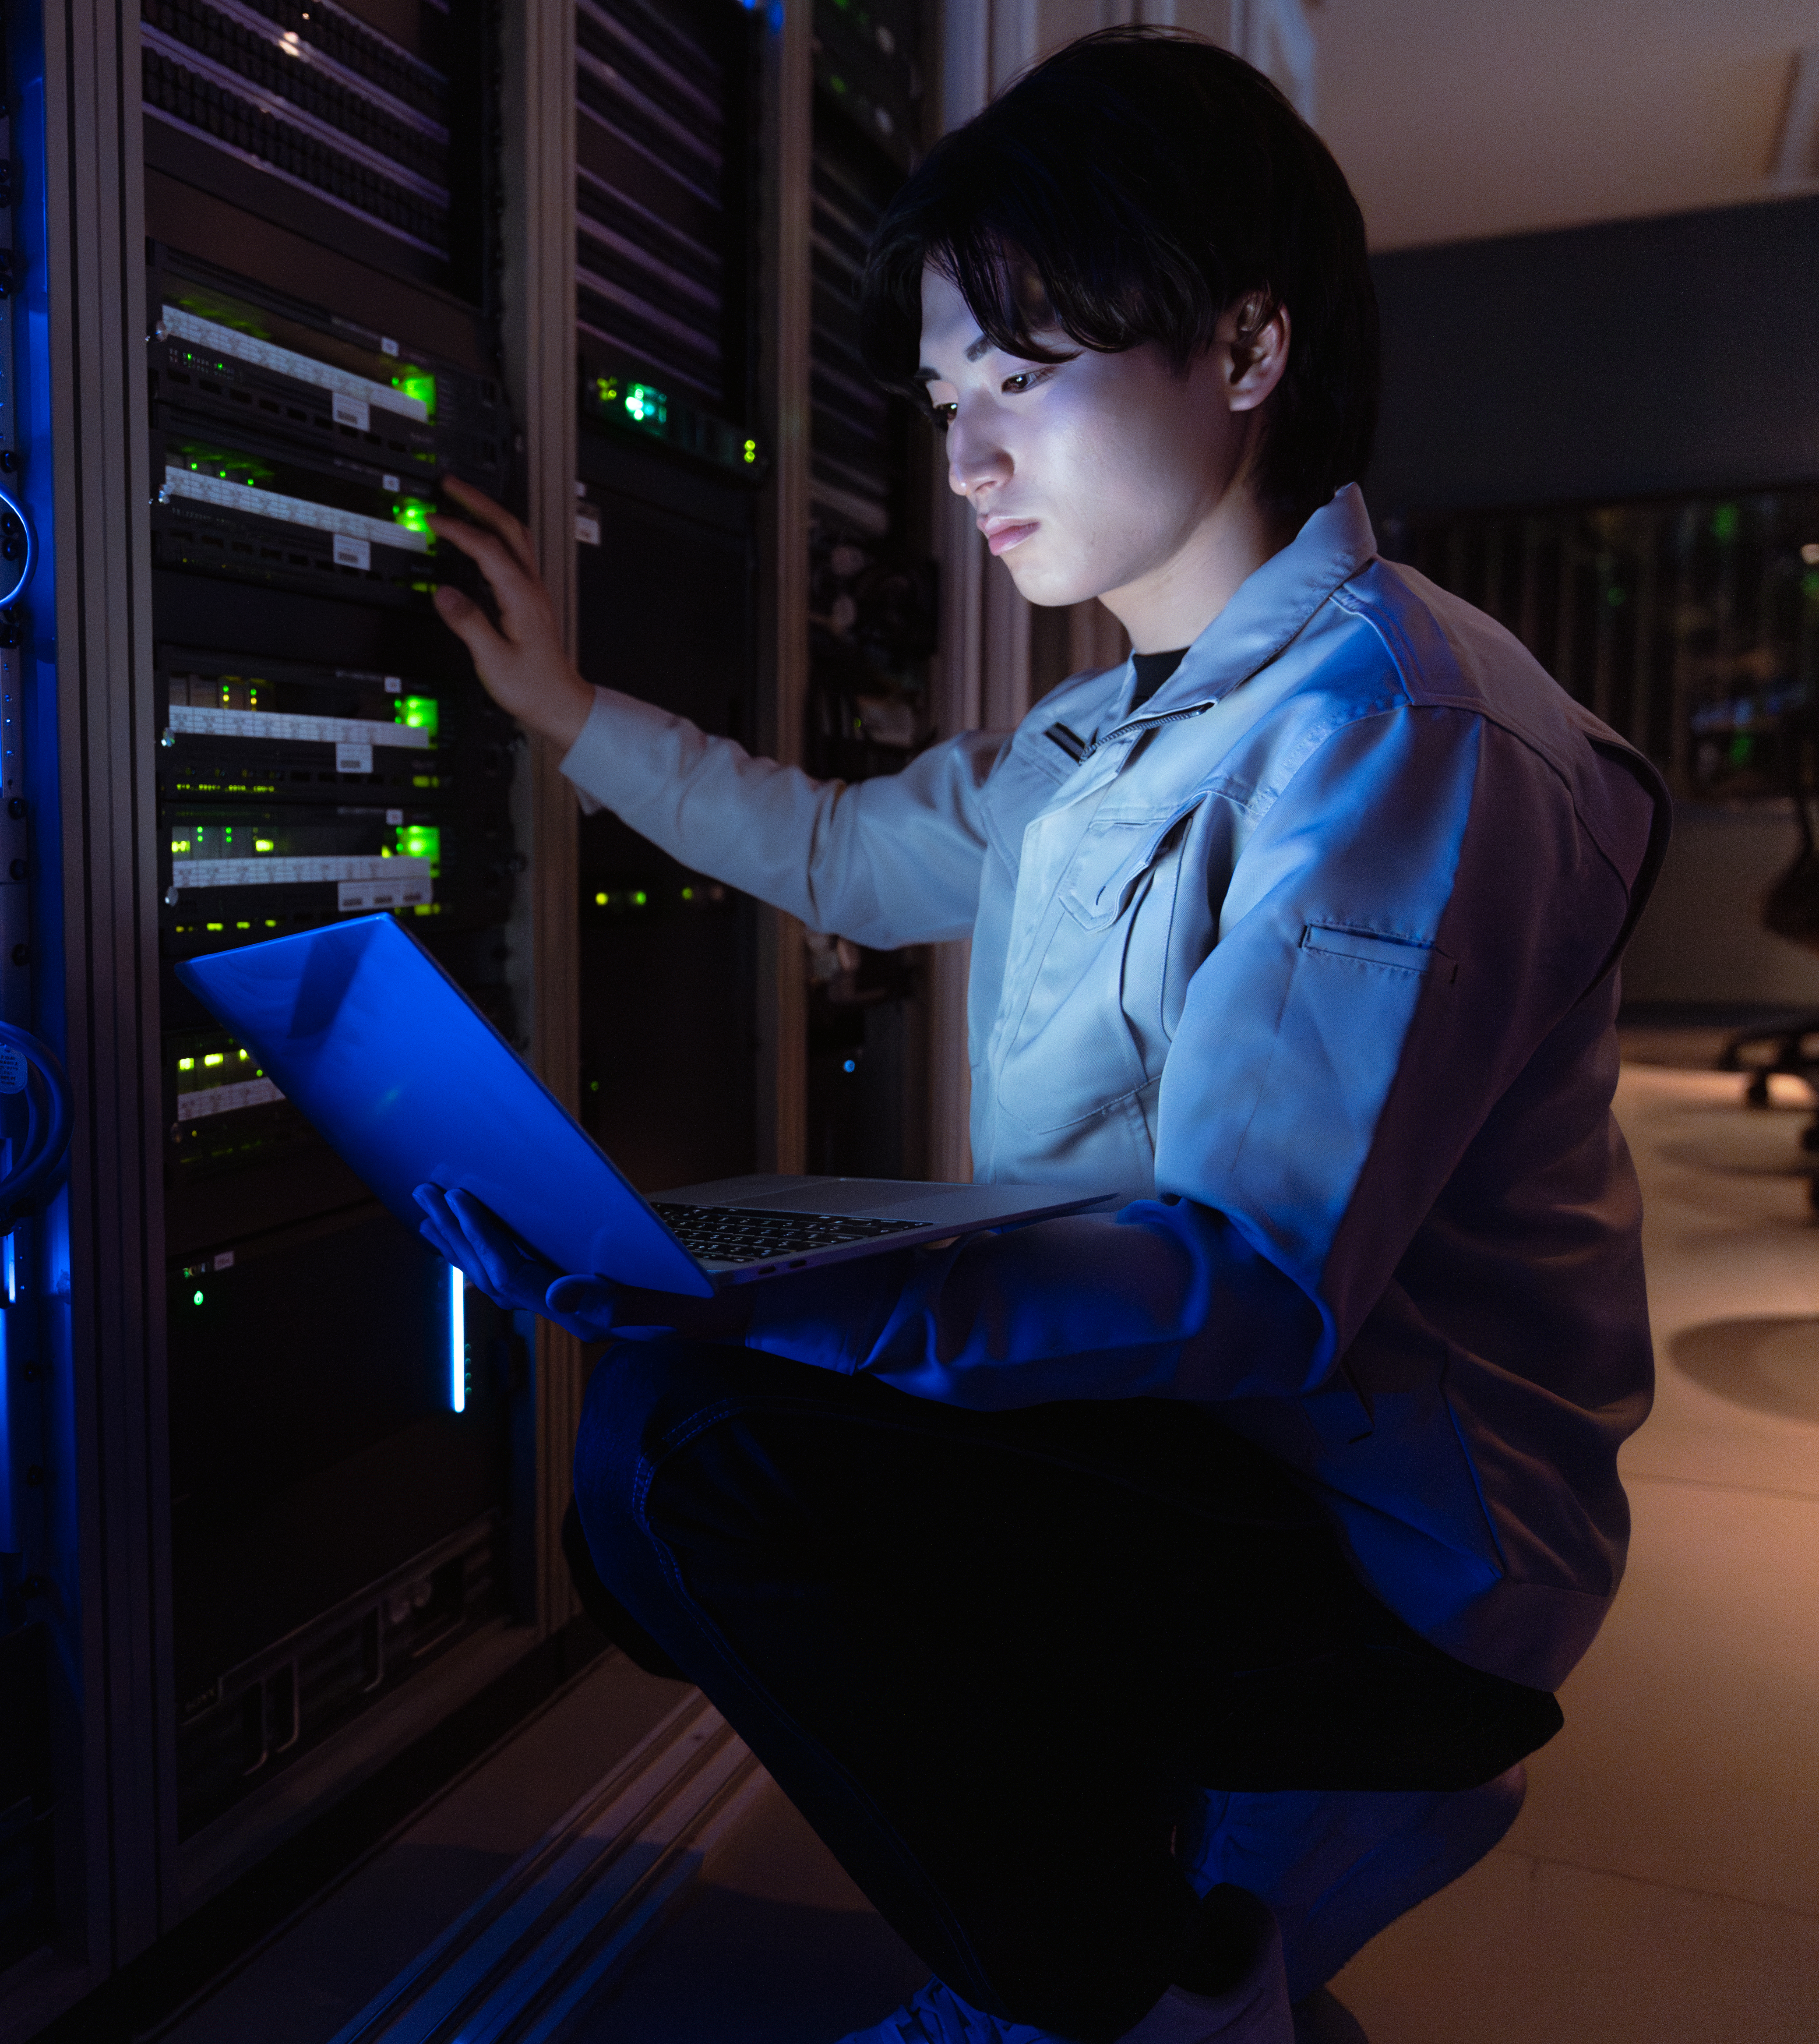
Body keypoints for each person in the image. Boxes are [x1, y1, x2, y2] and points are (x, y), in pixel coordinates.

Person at [412, 28, 1667, 2044]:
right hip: (1196, 1440)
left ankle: (1119, 1988)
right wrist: (563, 714)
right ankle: (1174, 1907)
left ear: (1242, 351)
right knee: (638, 1498)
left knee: (696, 1450)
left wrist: (757, 1296)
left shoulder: (1398, 735)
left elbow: (1253, 1277)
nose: (967, 459)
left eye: (1022, 380)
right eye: (941, 400)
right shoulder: (1116, 731)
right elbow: (835, 850)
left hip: (1387, 1535)